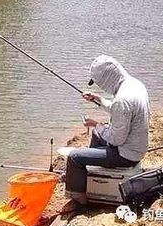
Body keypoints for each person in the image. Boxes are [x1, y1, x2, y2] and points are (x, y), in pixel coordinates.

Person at [64, 55, 150, 207]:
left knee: (74, 157)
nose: (99, 86)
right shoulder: (135, 85)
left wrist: (96, 124)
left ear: (106, 79)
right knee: (98, 134)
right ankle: (91, 173)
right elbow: (121, 112)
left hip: (126, 155)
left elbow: (117, 140)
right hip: (137, 147)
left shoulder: (122, 100)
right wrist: (98, 99)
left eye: (98, 83)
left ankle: (79, 198)